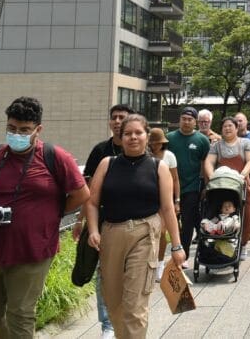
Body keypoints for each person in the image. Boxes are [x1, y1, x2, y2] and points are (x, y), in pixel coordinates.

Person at [0, 97, 88, 339]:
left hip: (33, 250)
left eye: (24, 130)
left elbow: (81, 194)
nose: (16, 134)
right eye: (12, 128)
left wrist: (50, 215)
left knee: (20, 313)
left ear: (38, 129)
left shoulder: (54, 156)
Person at [86, 114, 184, 339]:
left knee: (135, 304)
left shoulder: (158, 167)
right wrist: (92, 230)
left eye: (138, 132)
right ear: (120, 138)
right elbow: (91, 202)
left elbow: (168, 209)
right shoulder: (107, 164)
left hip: (144, 233)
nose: (133, 137)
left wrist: (177, 246)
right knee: (114, 302)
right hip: (110, 234)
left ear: (147, 136)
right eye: (127, 133)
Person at [74, 103, 130, 339]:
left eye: (122, 118)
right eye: (114, 118)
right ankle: (108, 325)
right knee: (103, 272)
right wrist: (81, 220)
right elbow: (87, 191)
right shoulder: (100, 151)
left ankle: (126, 319)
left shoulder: (141, 151)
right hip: (104, 221)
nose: (117, 121)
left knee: (129, 273)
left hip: (134, 224)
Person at [204, 117, 250, 260]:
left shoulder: (245, 143)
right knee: (221, 214)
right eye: (224, 126)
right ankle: (220, 243)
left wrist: (242, 175)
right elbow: (209, 162)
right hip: (223, 186)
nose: (227, 128)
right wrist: (212, 178)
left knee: (246, 217)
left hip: (242, 184)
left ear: (236, 128)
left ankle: (243, 244)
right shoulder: (216, 146)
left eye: (230, 126)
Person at [166, 107, 210, 264]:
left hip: (191, 187)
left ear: (195, 122)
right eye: (183, 118)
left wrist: (206, 185)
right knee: (169, 221)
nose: (186, 122)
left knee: (187, 222)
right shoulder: (169, 138)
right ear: (180, 120)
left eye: (190, 119)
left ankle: (183, 255)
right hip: (169, 187)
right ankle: (171, 250)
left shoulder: (202, 140)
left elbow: (206, 165)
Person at [148, 127, 179, 282]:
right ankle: (150, 264)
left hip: (165, 198)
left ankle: (160, 264)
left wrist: (177, 200)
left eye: (159, 143)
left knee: (161, 233)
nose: (156, 146)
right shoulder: (145, 155)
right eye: (153, 143)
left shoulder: (169, 156)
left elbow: (175, 179)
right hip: (148, 197)